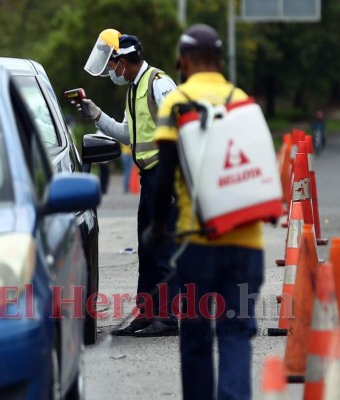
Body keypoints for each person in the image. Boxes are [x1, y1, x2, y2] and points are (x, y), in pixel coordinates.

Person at [144, 24, 265, 399]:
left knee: (196, 339)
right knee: (236, 333)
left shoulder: (176, 102)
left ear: (182, 61)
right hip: (247, 241)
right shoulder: (241, 98)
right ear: (219, 60)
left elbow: (165, 178)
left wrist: (157, 228)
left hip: (198, 242)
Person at [80, 29, 179, 336]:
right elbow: (127, 134)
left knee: (162, 249)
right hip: (149, 179)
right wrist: (97, 115)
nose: (111, 70)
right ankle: (147, 314)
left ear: (124, 60)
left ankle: (167, 317)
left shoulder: (159, 84)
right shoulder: (133, 89)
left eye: (113, 64)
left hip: (166, 176)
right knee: (147, 250)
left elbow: (181, 127)